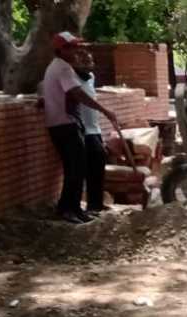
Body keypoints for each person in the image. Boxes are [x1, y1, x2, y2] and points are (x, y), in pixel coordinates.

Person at [41, 31, 118, 224]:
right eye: (72, 46)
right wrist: (105, 110)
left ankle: (73, 208)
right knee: (75, 167)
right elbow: (78, 94)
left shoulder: (55, 67)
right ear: (61, 49)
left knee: (76, 167)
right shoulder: (63, 68)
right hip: (66, 123)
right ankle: (67, 209)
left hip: (61, 123)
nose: (76, 50)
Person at [71, 49, 109, 216]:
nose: (89, 65)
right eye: (84, 61)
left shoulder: (91, 78)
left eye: (90, 61)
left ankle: (97, 203)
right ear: (75, 63)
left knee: (99, 165)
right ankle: (90, 206)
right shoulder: (72, 80)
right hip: (83, 130)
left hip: (95, 128)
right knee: (91, 166)